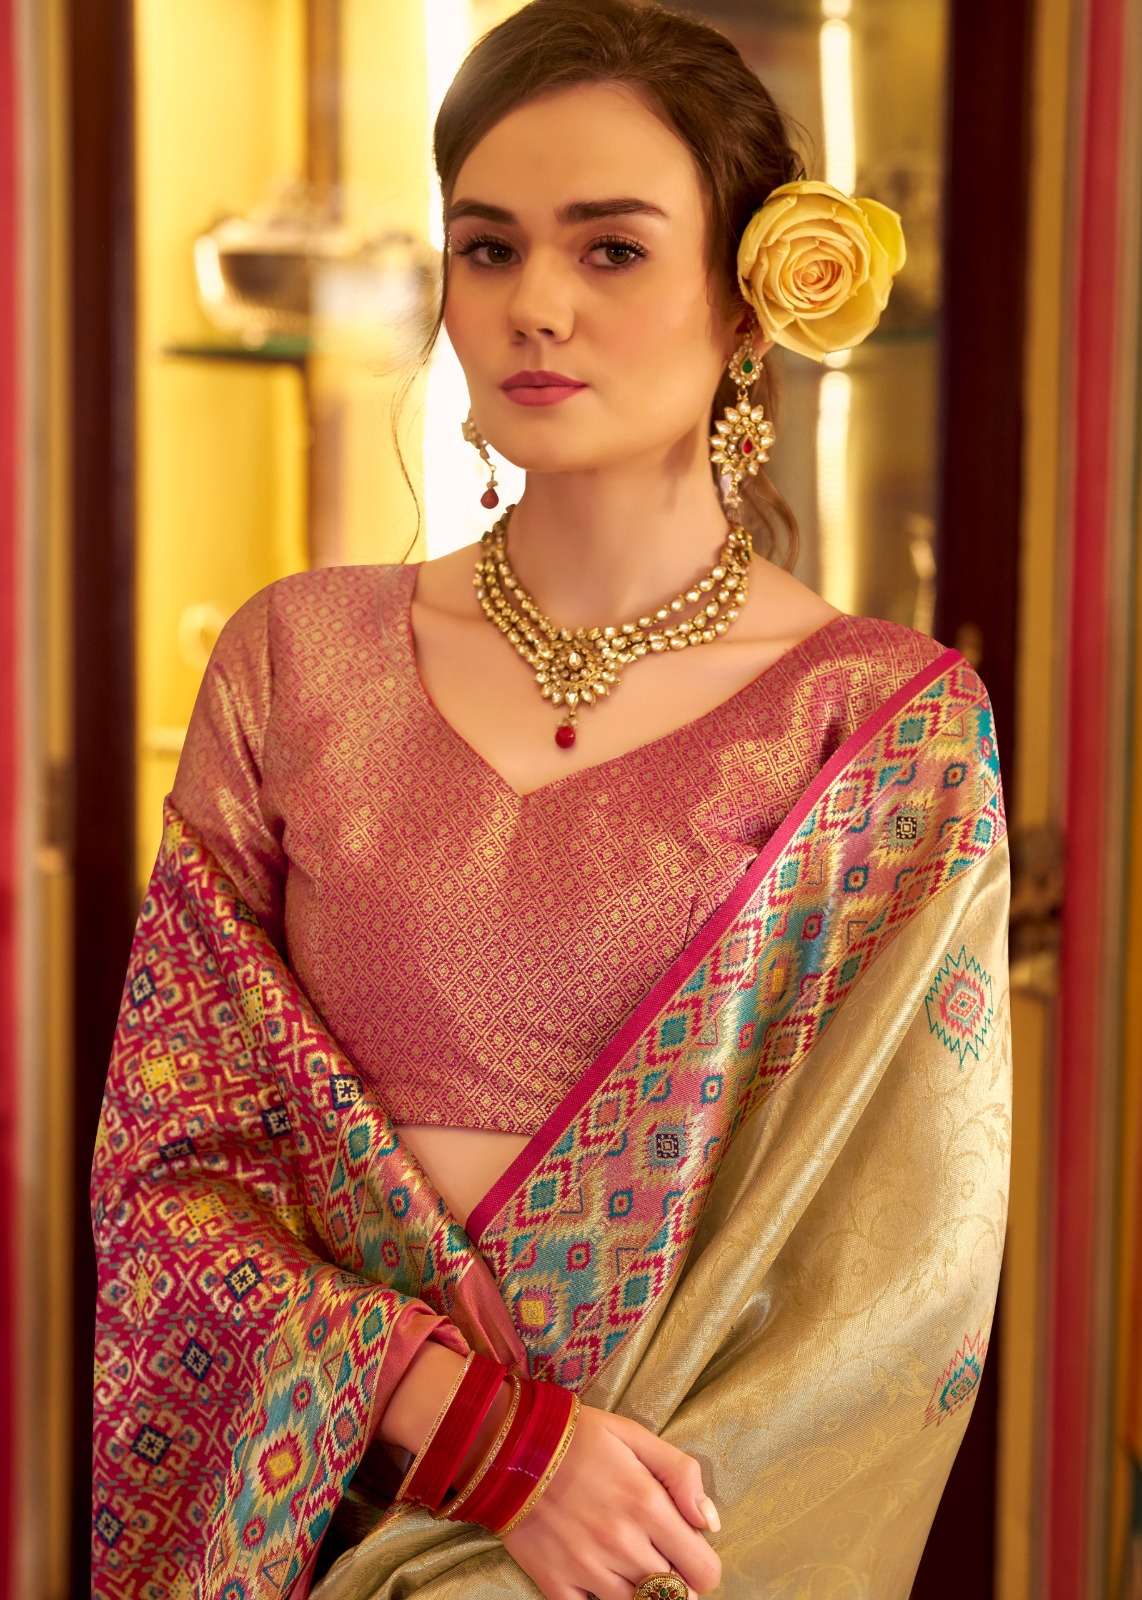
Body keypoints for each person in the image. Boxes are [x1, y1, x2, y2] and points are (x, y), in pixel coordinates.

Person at [89, 2, 1012, 1597]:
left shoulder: (871, 726)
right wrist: (489, 1444)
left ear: (748, 295)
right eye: (487, 246)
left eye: (610, 250)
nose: (533, 304)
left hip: (667, 1535)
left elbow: (880, 1287)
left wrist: (579, 1517)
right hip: (322, 1514)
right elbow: (171, 1174)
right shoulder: (297, 665)